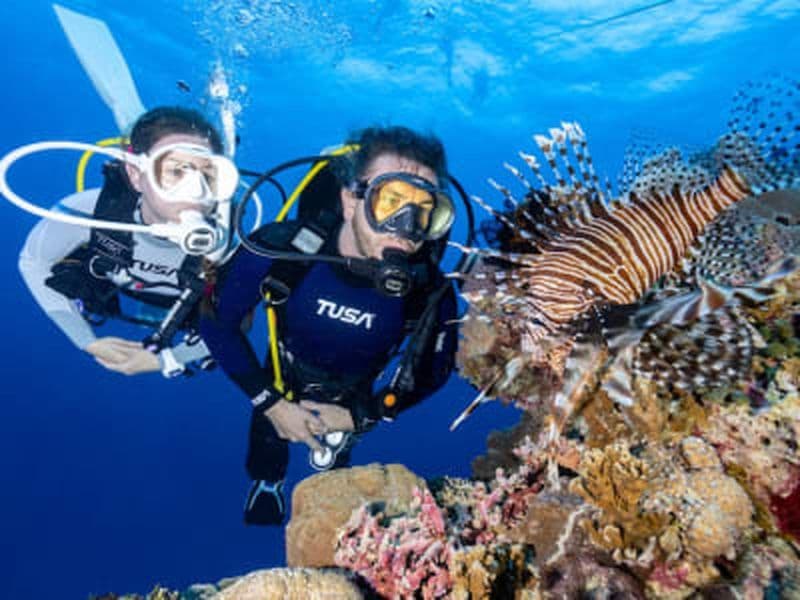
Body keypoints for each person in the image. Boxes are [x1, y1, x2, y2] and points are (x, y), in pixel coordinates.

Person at [200, 125, 459, 526]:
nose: (405, 227)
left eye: (423, 211)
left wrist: (364, 415)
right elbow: (216, 324)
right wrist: (269, 403)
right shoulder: (280, 249)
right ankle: (268, 482)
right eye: (391, 201)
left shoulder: (429, 290)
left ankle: (336, 467)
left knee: (339, 461)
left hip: (357, 386)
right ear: (351, 200)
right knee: (270, 431)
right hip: (284, 367)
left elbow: (435, 370)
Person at [18, 106, 234, 378]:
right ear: (135, 174)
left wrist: (170, 359)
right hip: (111, 286)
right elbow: (34, 261)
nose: (195, 191)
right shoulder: (91, 212)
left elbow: (237, 320)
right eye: (176, 172)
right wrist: (85, 339)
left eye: (208, 175)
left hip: (184, 308)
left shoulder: (227, 241)